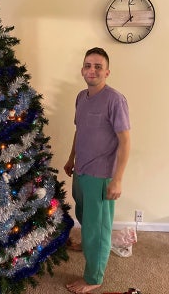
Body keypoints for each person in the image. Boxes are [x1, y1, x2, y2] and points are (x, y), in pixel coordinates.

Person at [63, 47, 131, 294]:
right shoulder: (81, 97)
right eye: (88, 66)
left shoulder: (115, 100)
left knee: (98, 228)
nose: (92, 70)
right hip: (81, 170)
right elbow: (79, 131)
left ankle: (94, 277)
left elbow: (125, 141)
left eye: (98, 66)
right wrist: (71, 158)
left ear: (107, 72)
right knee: (84, 216)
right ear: (82, 70)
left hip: (101, 175)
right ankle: (88, 245)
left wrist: (118, 180)